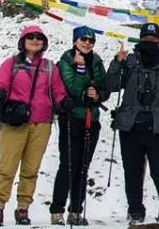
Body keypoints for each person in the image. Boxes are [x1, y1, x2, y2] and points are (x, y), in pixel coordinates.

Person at [105, 23, 159, 227]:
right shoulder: (128, 62)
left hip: (157, 128)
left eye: (153, 40)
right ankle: (135, 211)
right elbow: (110, 86)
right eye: (146, 40)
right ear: (140, 39)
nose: (149, 43)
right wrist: (117, 63)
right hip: (130, 127)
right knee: (132, 171)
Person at [0, 25, 70, 227]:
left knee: (31, 169)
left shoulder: (50, 67)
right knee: (7, 166)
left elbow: (57, 90)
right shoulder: (11, 64)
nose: (35, 40)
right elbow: (0, 83)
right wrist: (0, 94)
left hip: (41, 123)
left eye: (39, 37)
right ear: (23, 41)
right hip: (15, 121)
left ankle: (23, 207)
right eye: (30, 37)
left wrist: (63, 101)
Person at [50, 26, 109, 225]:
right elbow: (72, 85)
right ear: (75, 40)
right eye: (83, 39)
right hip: (72, 117)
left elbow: (104, 86)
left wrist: (98, 95)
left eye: (91, 41)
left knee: (83, 166)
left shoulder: (98, 60)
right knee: (67, 164)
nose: (87, 43)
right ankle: (57, 210)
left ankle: (76, 210)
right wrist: (81, 69)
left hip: (92, 119)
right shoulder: (66, 60)